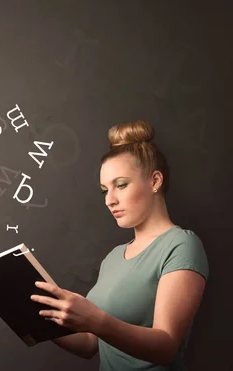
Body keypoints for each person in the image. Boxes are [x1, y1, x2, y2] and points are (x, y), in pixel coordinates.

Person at [30, 120, 209, 370]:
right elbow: (89, 344)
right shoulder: (113, 258)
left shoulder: (181, 245)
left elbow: (167, 347)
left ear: (155, 181)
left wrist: (96, 320)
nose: (110, 200)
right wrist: (35, 317)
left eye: (121, 185)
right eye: (104, 190)